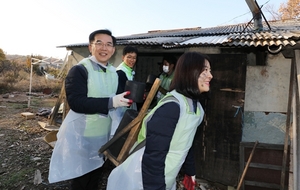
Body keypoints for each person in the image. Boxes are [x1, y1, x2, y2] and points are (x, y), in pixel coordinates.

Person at [106, 51, 213, 190]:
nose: (210, 75)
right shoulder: (172, 107)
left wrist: (190, 172)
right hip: (142, 179)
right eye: (204, 71)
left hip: (165, 177)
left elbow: (187, 142)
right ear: (189, 72)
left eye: (210, 71)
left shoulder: (196, 107)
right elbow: (153, 159)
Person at [48, 29, 133, 190]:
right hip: (81, 134)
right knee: (81, 177)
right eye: (99, 43)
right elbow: (77, 102)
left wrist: (126, 100)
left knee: (96, 173)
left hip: (104, 133)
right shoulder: (80, 70)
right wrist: (111, 102)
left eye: (109, 44)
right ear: (90, 47)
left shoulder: (114, 73)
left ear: (114, 50)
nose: (104, 48)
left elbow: (118, 98)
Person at [109, 46, 138, 138]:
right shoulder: (120, 72)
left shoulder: (129, 71)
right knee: (116, 133)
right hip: (118, 110)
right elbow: (120, 93)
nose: (132, 60)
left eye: (134, 58)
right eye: (129, 57)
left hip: (123, 109)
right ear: (123, 57)